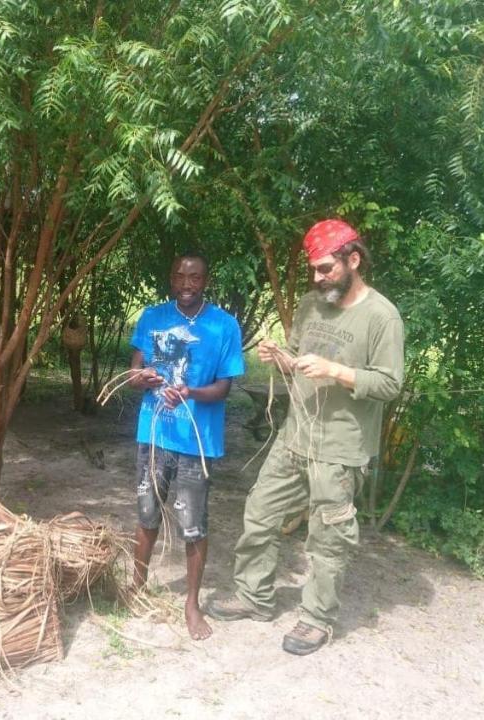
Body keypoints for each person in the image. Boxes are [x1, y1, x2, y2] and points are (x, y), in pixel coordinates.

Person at [207, 218, 404, 655]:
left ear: (353, 260)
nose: (317, 279)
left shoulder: (382, 316)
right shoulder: (311, 305)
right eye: (313, 270)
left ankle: (316, 620)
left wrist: (336, 371)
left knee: (327, 538)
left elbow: (391, 384)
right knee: (260, 512)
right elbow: (297, 361)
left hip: (339, 449)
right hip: (295, 437)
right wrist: (279, 357)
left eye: (326, 269)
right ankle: (254, 597)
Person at [127, 253, 245, 640]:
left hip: (197, 441)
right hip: (154, 434)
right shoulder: (153, 317)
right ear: (171, 278)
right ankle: (136, 587)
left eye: (194, 276)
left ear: (206, 280)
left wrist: (190, 391)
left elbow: (224, 388)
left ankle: (191, 605)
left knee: (193, 524)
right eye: (179, 276)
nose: (186, 283)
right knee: (147, 514)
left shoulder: (224, 325)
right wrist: (141, 377)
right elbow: (134, 370)